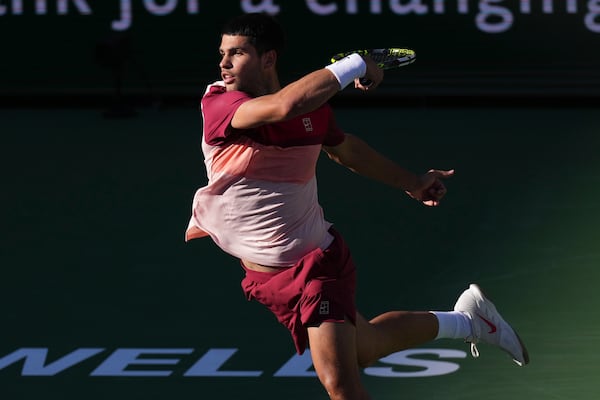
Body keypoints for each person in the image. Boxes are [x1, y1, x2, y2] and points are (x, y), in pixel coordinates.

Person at [185, 13, 529, 400]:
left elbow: (347, 151)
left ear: (268, 58)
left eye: (237, 53)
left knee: (341, 385)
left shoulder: (312, 110)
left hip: (316, 265)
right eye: (222, 53)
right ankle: (468, 322)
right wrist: (354, 63)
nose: (224, 63)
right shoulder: (219, 103)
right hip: (270, 280)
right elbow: (282, 106)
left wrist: (412, 182)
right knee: (369, 347)